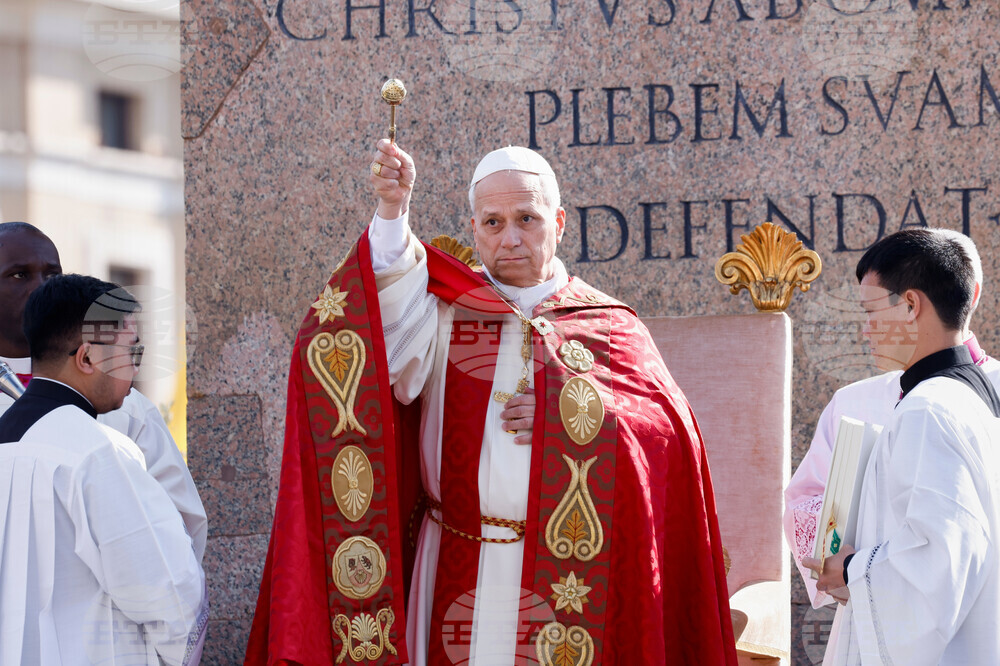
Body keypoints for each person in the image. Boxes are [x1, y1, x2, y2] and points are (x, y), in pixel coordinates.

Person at [245, 141, 737, 665]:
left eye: (527, 218)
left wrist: (568, 419)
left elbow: (666, 438)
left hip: (569, 583)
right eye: (493, 223)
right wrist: (393, 212)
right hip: (452, 556)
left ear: (561, 222)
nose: (511, 238)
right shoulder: (445, 310)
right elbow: (373, 340)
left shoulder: (608, 325)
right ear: (474, 228)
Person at [802, 229, 1000, 664]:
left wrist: (852, 570)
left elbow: (941, 558)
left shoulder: (928, 408)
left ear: (910, 305)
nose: (865, 330)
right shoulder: (974, 395)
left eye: (871, 311)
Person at [0, 274, 208, 665]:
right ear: (88, 358)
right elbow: (172, 594)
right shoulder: (97, 451)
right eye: (132, 351)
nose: (135, 367)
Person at [0, 222, 207, 562]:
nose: (39, 288)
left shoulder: (124, 404)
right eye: (19, 275)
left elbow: (181, 521)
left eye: (52, 276)